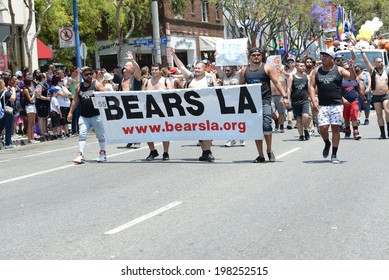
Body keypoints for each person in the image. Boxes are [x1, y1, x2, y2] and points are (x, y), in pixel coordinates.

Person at [240, 47, 289, 163]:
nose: (256, 57)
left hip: (265, 101)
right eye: (254, 55)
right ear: (250, 57)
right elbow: (240, 87)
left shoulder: (266, 68)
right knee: (256, 129)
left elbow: (277, 82)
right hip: (251, 104)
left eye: (258, 55)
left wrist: (285, 96)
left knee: (267, 126)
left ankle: (269, 150)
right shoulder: (244, 70)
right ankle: (260, 155)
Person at [309, 49, 357, 164]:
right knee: (323, 128)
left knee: (335, 128)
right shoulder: (316, 71)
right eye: (322, 56)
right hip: (323, 105)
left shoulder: (339, 70)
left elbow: (352, 77)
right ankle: (327, 143)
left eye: (326, 56)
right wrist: (314, 101)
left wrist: (351, 67)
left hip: (336, 104)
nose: (323, 58)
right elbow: (311, 86)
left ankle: (334, 154)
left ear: (332, 59)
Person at [171, 47, 217, 162]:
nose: (196, 70)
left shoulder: (210, 78)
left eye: (199, 68)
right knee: (199, 132)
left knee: (207, 131)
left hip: (208, 109)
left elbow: (218, 91)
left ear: (204, 69)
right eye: (195, 68)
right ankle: (204, 152)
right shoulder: (190, 78)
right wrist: (173, 55)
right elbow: (181, 67)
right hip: (193, 111)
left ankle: (208, 151)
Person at [67, 67, 106, 164]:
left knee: (100, 135)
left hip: (96, 115)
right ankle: (80, 155)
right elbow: (75, 100)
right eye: (86, 74)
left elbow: (105, 95)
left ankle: (102, 153)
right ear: (83, 76)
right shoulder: (79, 87)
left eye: (90, 74)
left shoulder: (96, 84)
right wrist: (70, 112)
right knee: (82, 135)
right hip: (84, 116)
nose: (89, 76)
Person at [143, 63, 173, 160]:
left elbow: (171, 93)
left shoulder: (165, 81)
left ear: (160, 70)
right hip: (149, 110)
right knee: (148, 131)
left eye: (156, 69)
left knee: (164, 131)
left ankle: (166, 152)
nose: (154, 71)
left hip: (163, 110)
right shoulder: (147, 82)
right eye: (152, 69)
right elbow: (141, 94)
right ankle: (152, 151)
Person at [214, 64, 246, 147]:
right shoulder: (224, 76)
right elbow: (217, 67)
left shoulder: (239, 75)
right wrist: (216, 56)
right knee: (229, 122)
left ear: (234, 70)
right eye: (225, 70)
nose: (226, 72)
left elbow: (244, 68)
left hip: (238, 101)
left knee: (239, 121)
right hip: (227, 103)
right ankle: (231, 139)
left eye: (228, 70)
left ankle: (241, 137)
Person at [360, 49, 389, 139]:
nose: (381, 63)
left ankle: (388, 128)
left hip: (385, 95)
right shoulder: (373, 72)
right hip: (376, 96)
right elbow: (366, 61)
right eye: (378, 62)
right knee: (379, 114)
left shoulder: (386, 72)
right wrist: (362, 52)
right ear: (375, 64)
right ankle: (382, 133)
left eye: (381, 62)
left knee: (387, 112)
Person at [119, 51, 142, 149]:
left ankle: (137, 140)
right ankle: (130, 138)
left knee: (135, 122)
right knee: (127, 123)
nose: (124, 68)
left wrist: (132, 60)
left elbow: (138, 70)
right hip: (124, 103)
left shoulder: (135, 77)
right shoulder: (123, 79)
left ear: (132, 69)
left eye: (126, 66)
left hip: (134, 103)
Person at [286, 60, 311, 141]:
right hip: (295, 101)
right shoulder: (291, 77)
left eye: (304, 66)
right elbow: (289, 89)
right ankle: (301, 135)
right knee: (299, 119)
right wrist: (288, 99)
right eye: (301, 66)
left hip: (305, 100)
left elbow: (309, 89)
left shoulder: (307, 77)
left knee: (305, 116)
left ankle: (306, 129)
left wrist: (312, 99)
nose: (303, 67)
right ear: (296, 67)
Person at [340, 64, 366, 140]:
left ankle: (356, 131)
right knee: (346, 117)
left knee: (354, 115)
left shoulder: (355, 80)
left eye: (348, 69)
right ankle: (347, 130)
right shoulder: (340, 80)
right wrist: (343, 99)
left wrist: (364, 99)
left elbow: (359, 90)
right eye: (345, 69)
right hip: (344, 102)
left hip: (354, 100)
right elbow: (337, 91)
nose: (347, 70)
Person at [0, 76, 16, 149]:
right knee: (8, 127)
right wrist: (13, 90)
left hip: (1, 112)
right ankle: (8, 143)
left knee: (1, 127)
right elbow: (13, 98)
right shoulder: (5, 92)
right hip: (7, 112)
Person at [22, 75, 38, 144]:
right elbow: (30, 99)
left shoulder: (30, 89)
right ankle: (29, 139)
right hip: (29, 106)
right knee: (30, 123)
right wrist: (34, 93)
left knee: (33, 122)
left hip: (33, 106)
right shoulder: (26, 89)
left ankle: (32, 138)